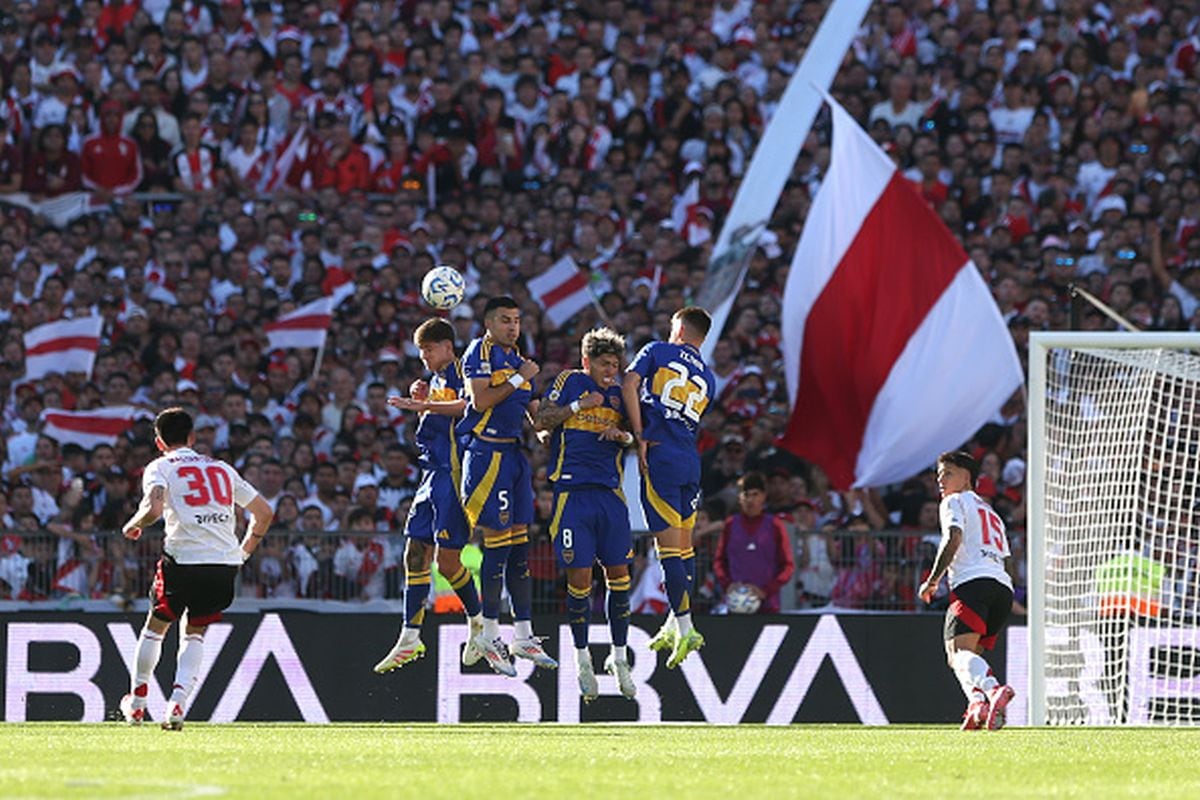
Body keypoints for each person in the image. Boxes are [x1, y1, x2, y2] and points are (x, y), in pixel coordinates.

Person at [118, 408, 273, 730]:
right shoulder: (222, 469)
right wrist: (242, 552)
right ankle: (178, 702)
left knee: (155, 626)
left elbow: (153, 508)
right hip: (223, 565)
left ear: (159, 442)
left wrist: (133, 526)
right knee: (195, 633)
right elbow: (264, 513)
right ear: (192, 438)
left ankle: (137, 702)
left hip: (184, 560)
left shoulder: (159, 467)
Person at [373, 318, 484, 673]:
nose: (423, 356)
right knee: (415, 551)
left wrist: (423, 407)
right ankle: (410, 635)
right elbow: (435, 425)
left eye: (429, 349)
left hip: (452, 477)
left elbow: (469, 406)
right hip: (431, 475)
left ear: (448, 348)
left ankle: (480, 624)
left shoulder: (459, 371)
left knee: (448, 564)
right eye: (421, 350)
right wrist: (424, 403)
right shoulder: (435, 381)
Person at [534, 327, 637, 702]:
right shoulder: (571, 381)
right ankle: (581, 658)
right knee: (579, 576)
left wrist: (622, 436)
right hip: (573, 495)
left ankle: (619, 656)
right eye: (604, 363)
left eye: (615, 364)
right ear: (586, 362)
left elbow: (638, 435)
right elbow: (541, 421)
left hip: (610, 494)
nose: (611, 370)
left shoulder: (622, 392)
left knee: (618, 574)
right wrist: (580, 406)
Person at [459, 296, 556, 675]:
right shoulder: (478, 353)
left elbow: (533, 411)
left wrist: (557, 425)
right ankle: (488, 634)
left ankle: (524, 635)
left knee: (519, 547)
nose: (512, 327)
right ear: (488, 323)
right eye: (504, 320)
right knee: (496, 548)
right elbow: (480, 401)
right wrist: (520, 377)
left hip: (515, 458)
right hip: (487, 458)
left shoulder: (518, 357)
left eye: (516, 320)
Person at [622, 306, 715, 668]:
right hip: (690, 461)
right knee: (683, 547)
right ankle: (673, 621)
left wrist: (638, 434)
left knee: (668, 551)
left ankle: (686, 626)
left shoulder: (657, 351)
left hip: (659, 455)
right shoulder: (709, 377)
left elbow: (629, 384)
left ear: (678, 329)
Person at [918, 451, 1015, 732]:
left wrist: (933, 579)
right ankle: (976, 705)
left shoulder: (953, 501)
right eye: (938, 475)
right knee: (966, 656)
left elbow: (953, 536)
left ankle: (993, 689)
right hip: (1002, 589)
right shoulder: (993, 515)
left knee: (957, 652)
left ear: (966, 477)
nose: (941, 480)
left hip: (973, 585)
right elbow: (1009, 561)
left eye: (948, 473)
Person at [714, 471, 795, 614]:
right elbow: (719, 561)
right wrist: (727, 585)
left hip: (768, 605)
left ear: (764, 496)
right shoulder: (731, 525)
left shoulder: (775, 525)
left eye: (755, 494)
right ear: (739, 498)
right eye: (746, 495)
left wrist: (766, 590)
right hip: (736, 603)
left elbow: (787, 565)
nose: (750, 500)